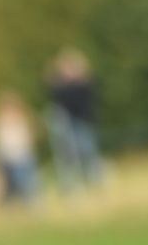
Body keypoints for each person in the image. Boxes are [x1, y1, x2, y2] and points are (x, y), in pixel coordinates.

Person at [46, 46, 103, 192]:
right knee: (68, 156)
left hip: (82, 122)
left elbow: (82, 100)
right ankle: (71, 185)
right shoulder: (61, 87)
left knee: (88, 152)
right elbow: (55, 96)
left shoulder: (83, 83)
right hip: (67, 125)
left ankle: (95, 180)